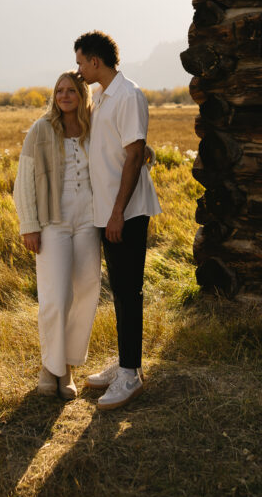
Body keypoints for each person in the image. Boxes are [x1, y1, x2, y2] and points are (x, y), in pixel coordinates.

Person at [74, 30, 162, 410]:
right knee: (119, 291)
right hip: (107, 211)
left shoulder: (127, 95)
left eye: (80, 62)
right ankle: (125, 362)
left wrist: (116, 214)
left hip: (124, 213)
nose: (78, 70)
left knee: (129, 290)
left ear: (96, 61)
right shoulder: (101, 96)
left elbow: (134, 155)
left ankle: (131, 375)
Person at [13, 71, 101, 399]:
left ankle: (69, 364)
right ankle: (52, 368)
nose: (64, 96)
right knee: (56, 296)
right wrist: (29, 225)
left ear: (82, 94)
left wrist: (145, 151)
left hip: (88, 219)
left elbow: (117, 150)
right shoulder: (41, 129)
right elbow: (23, 180)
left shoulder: (94, 126)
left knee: (88, 289)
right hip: (53, 220)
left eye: (71, 90)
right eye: (59, 90)